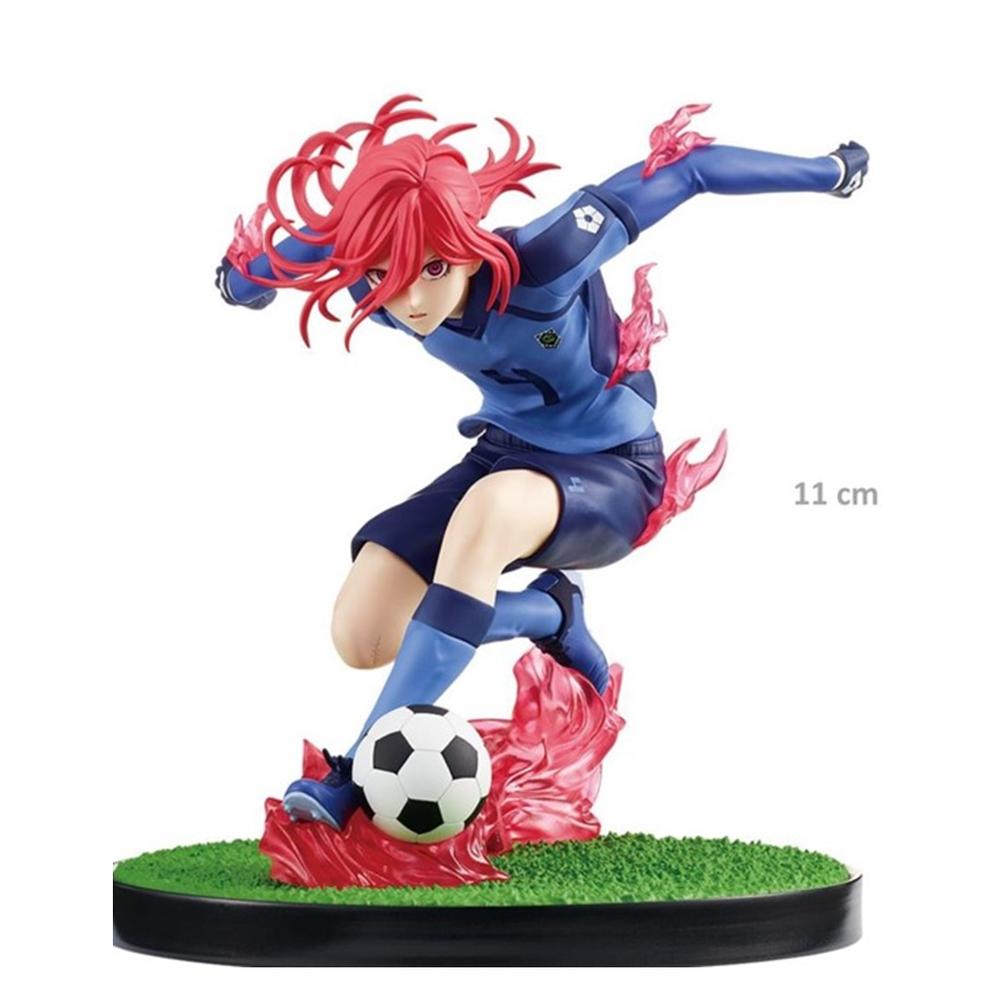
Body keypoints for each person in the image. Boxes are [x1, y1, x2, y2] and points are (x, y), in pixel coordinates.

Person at [217, 95, 868, 829]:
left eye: (434, 267)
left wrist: (831, 171)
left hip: (614, 471)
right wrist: (243, 285)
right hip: (505, 455)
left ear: (467, 243)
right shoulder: (384, 281)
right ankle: (549, 613)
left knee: (488, 510)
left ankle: (358, 770)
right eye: (386, 273)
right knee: (363, 634)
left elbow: (689, 171)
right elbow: (304, 251)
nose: (411, 297)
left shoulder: (546, 261)